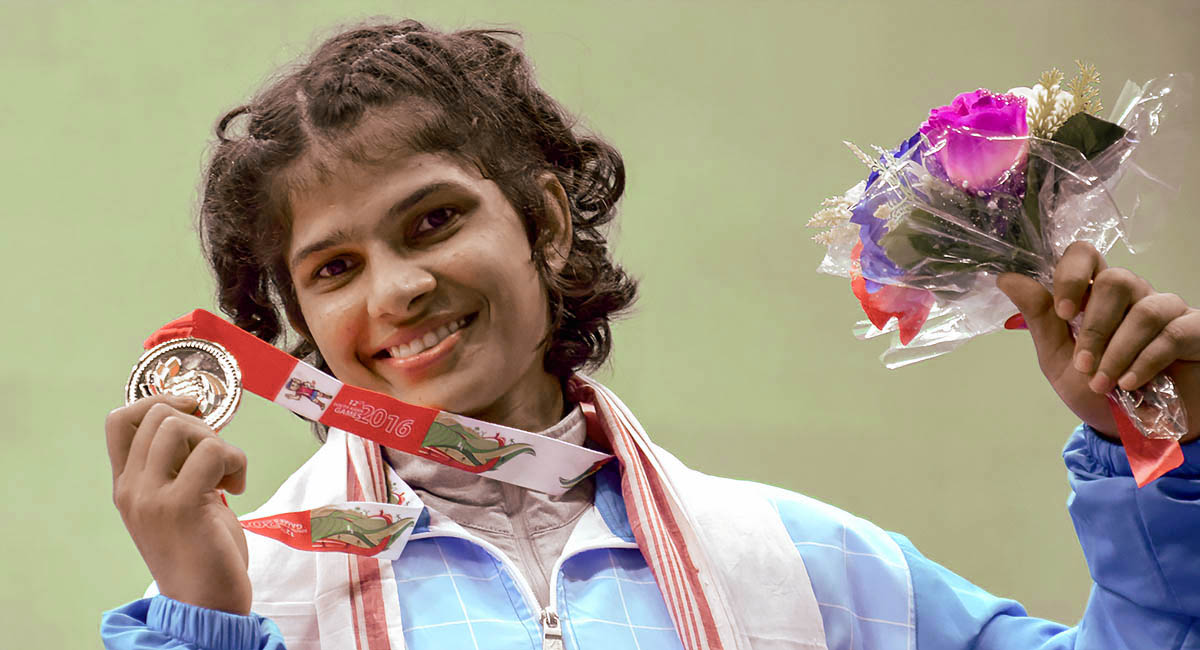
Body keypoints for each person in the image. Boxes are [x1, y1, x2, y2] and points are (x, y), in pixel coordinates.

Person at [100, 20, 1200, 650]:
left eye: (434, 220)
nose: (397, 289)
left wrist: (1154, 452)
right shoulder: (247, 593)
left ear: (544, 217)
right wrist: (202, 613)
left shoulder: (808, 568)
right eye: (333, 269)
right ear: (301, 327)